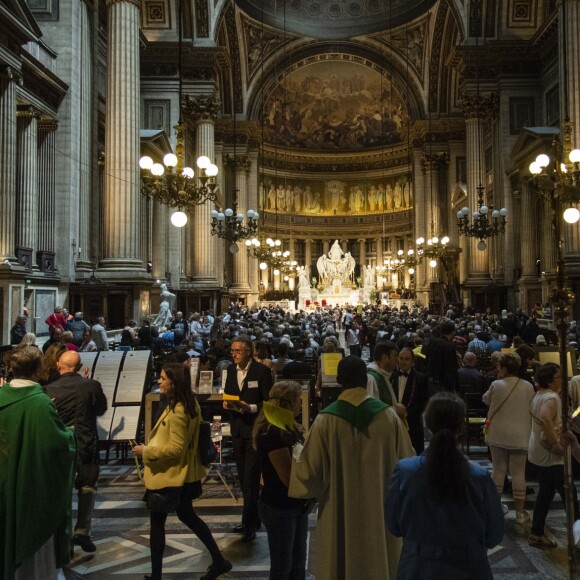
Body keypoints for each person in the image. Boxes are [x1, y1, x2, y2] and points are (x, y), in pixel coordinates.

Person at [289, 355, 414, 579]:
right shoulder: (388, 416)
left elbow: (309, 472)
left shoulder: (325, 420)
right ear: (366, 380)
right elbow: (407, 463)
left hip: (339, 508)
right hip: (381, 508)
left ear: (338, 380)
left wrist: (297, 453)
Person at [385, 392, 504, 579]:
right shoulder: (479, 477)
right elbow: (494, 534)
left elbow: (393, 525)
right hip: (469, 567)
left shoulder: (405, 471)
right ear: (461, 427)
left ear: (426, 422)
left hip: (417, 567)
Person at [132, 363, 231, 580]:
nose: (159, 381)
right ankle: (219, 560)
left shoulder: (179, 410)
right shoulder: (187, 402)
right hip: (182, 473)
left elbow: (176, 448)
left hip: (171, 474)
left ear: (175, 383)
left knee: (158, 522)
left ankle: (157, 576)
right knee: (188, 516)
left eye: (163, 378)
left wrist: (145, 451)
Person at [0, 347, 76, 580]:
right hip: (31, 491)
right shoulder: (40, 404)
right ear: (39, 370)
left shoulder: (2, 398)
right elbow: (57, 448)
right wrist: (69, 434)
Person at [45, 351, 108, 552]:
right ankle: (82, 531)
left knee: (61, 490)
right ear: (80, 367)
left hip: (60, 444)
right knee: (88, 486)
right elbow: (100, 409)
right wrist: (88, 386)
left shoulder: (48, 389)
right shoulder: (91, 385)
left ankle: (61, 538)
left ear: (58, 366)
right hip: (86, 442)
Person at [253, 381, 308, 580]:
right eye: (298, 400)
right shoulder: (272, 432)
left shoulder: (287, 427)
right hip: (280, 505)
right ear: (289, 402)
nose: (300, 405)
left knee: (298, 564)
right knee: (282, 567)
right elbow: (286, 475)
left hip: (295, 502)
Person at [223, 336, 273, 541]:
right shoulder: (231, 371)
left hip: (254, 431)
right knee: (243, 475)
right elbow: (228, 393)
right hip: (237, 430)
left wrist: (250, 407)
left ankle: (248, 523)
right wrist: (228, 403)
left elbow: (268, 403)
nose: (234, 354)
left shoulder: (262, 372)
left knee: (251, 476)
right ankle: (254, 517)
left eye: (238, 351)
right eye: (232, 351)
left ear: (249, 352)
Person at [528, 363, 579, 547]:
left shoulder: (539, 394)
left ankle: (536, 532)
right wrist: (556, 444)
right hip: (551, 455)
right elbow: (544, 418)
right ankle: (578, 539)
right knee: (570, 495)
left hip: (539, 451)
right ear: (550, 379)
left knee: (546, 493)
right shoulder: (551, 397)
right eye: (559, 377)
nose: (562, 379)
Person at [482, 352, 535, 523]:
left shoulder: (496, 384)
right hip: (521, 434)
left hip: (498, 433)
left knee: (498, 470)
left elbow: (486, 400)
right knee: (519, 473)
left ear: (504, 368)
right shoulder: (528, 386)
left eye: (499, 367)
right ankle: (520, 513)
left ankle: (495, 510)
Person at [391, 347, 429, 454]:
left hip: (413, 424)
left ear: (413, 362)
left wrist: (405, 414)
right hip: (394, 422)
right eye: (401, 358)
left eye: (407, 359)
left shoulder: (421, 379)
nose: (403, 362)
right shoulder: (391, 376)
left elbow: (423, 402)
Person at [425, 320, 459, 393]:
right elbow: (451, 369)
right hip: (442, 385)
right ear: (452, 332)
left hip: (429, 383)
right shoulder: (449, 347)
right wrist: (454, 387)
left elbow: (426, 360)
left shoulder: (432, 342)